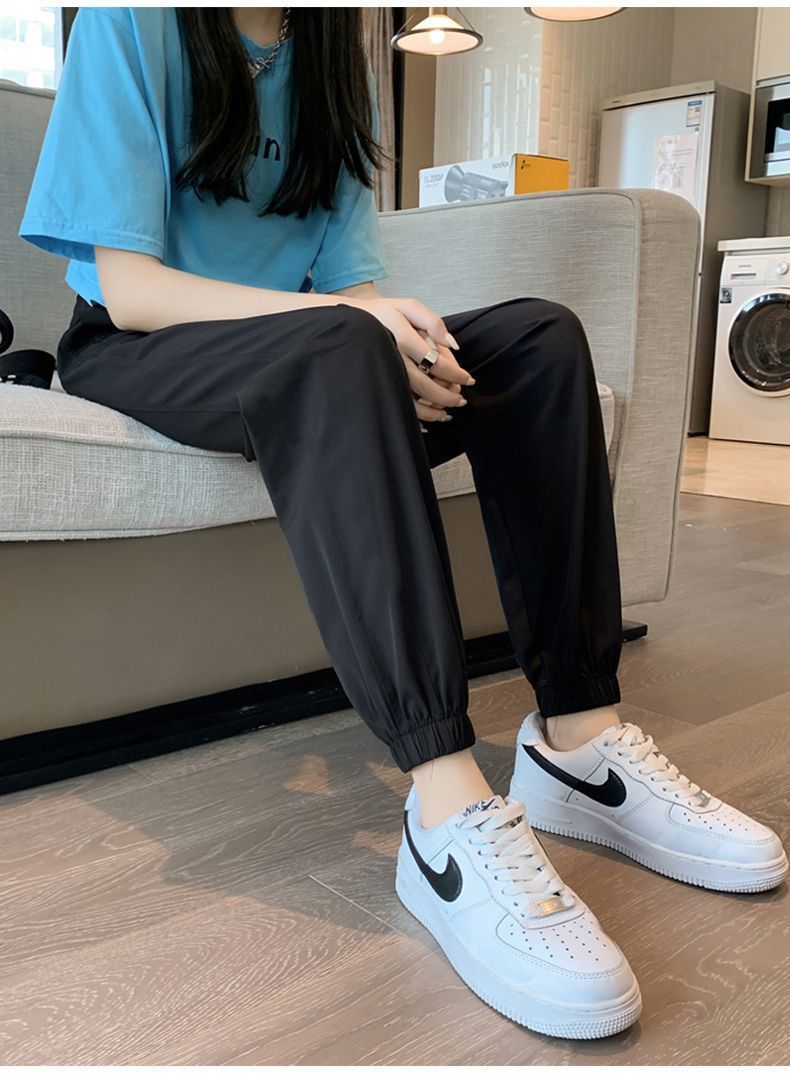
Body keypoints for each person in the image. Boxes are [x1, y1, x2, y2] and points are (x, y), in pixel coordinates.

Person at [19, 6, 787, 1041]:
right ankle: (443, 805)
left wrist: (399, 348)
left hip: (301, 349)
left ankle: (579, 741)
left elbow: (349, 285)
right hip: (138, 346)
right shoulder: (133, 21)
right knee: (342, 346)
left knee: (538, 342)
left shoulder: (335, 56)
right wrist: (351, 329)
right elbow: (133, 291)